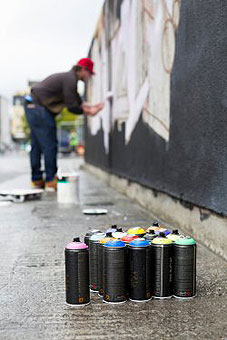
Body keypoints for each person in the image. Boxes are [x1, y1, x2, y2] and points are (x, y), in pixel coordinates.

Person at [24, 58, 103, 191]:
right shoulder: (70, 80)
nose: (89, 77)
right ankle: (50, 179)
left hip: (33, 106)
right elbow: (72, 106)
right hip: (38, 107)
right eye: (89, 73)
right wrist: (87, 111)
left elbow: (77, 101)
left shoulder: (69, 79)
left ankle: (37, 179)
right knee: (50, 144)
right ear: (83, 69)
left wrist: (89, 107)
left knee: (37, 144)